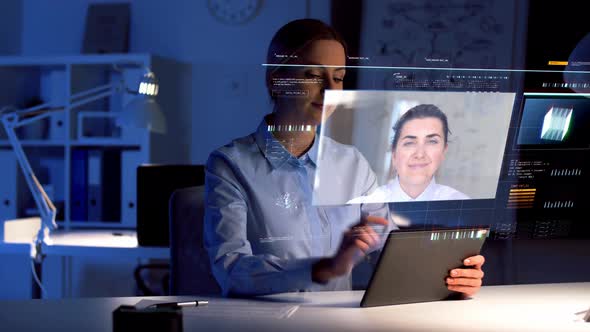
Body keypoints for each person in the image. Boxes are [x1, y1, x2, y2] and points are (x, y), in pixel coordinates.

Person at [204, 19, 484, 297]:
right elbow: (232, 270)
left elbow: (390, 248)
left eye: (337, 78)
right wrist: (324, 268)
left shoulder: (352, 162)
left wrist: (452, 274)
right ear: (276, 80)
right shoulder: (230, 165)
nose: (329, 90)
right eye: (312, 75)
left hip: (340, 322)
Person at [348, 104, 469, 203]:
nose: (420, 154)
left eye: (432, 141)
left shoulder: (464, 206)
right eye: (409, 143)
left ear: (443, 151)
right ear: (394, 154)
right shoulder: (359, 209)